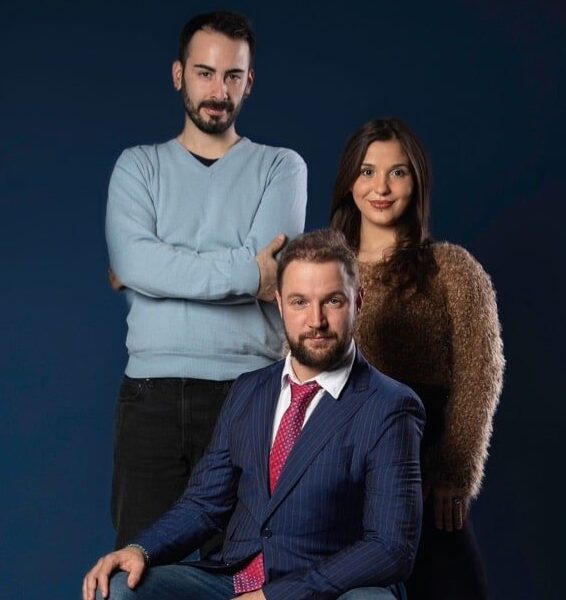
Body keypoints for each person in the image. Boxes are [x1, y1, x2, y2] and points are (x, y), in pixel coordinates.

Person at [83, 230, 425, 600]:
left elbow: (390, 548)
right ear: (279, 304)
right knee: (117, 590)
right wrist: (140, 549)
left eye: (333, 301)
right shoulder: (249, 390)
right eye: (299, 302)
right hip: (233, 578)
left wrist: (276, 596)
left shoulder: (390, 406)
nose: (316, 321)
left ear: (358, 301)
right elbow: (203, 504)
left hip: (326, 589)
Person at [105, 11, 307, 549]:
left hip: (249, 392)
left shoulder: (280, 167)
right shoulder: (137, 167)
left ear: (250, 82)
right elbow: (134, 264)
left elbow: (274, 272)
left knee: (246, 569)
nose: (218, 91)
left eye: (232, 76)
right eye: (204, 73)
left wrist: (165, 267)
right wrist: (244, 269)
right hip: (151, 396)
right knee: (139, 570)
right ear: (178, 75)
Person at [330, 118, 505, 600]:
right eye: (367, 171)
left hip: (424, 469)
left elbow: (481, 373)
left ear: (417, 181)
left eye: (397, 172)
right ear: (349, 180)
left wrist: (456, 473)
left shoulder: (452, 268)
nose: (380, 188)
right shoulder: (324, 268)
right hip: (341, 474)